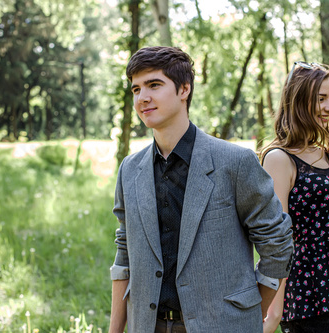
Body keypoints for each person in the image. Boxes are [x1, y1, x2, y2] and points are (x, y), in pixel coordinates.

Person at [108, 46, 294, 333]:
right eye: (136, 89)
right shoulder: (129, 170)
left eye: (154, 85)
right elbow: (124, 254)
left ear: (184, 89)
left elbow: (277, 243)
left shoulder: (234, 162)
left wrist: (250, 312)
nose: (143, 97)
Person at [261, 62, 329, 333]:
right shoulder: (279, 159)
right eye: (320, 99)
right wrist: (275, 306)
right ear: (298, 102)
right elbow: (279, 239)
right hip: (305, 292)